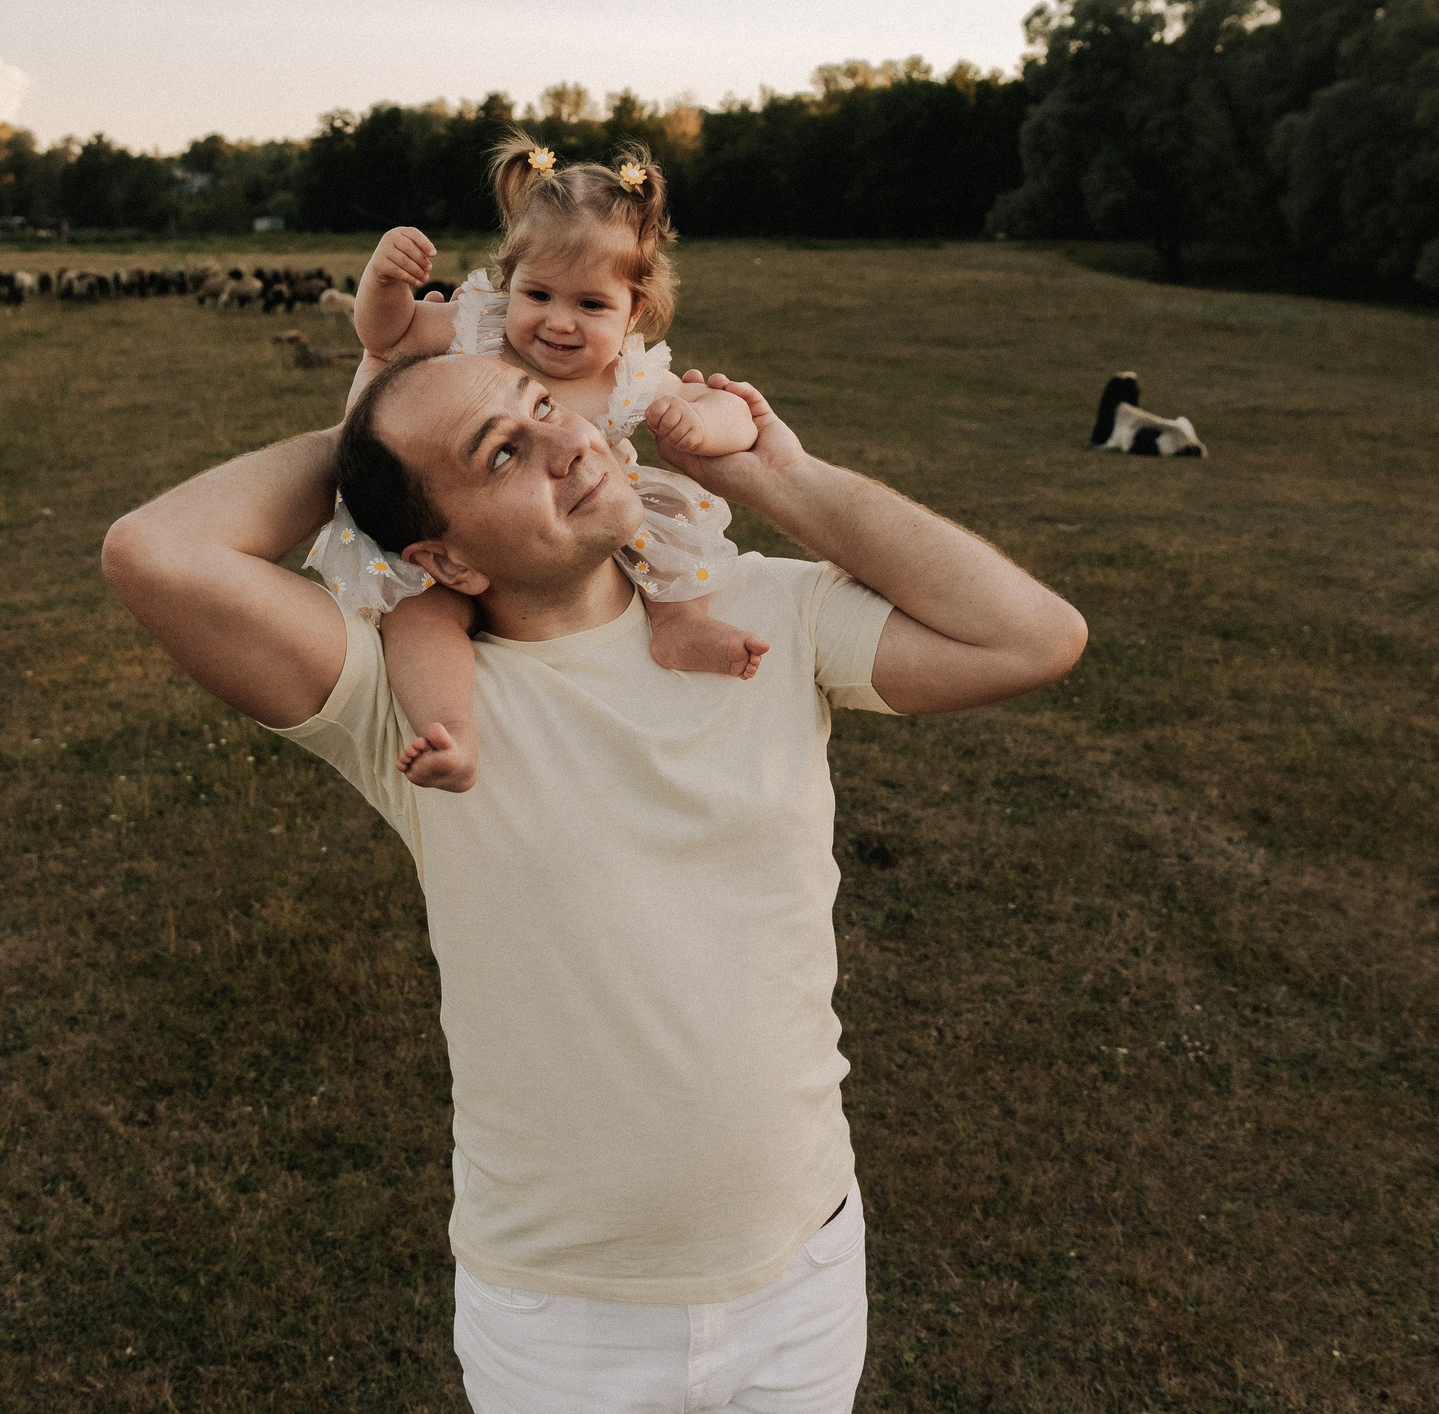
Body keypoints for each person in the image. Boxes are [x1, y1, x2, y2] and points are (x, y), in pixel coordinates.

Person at [101, 349, 1087, 1412]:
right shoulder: (417, 702)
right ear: (450, 559)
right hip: (565, 1323)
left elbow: (1033, 637)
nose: (570, 440)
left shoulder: (764, 617)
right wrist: (365, 425)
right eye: (504, 452)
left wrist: (772, 477)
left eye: (545, 406)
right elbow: (154, 553)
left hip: (800, 1272)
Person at [308, 136, 768, 795]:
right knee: (421, 612)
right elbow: (388, 334)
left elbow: (733, 410)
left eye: (591, 305)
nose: (558, 323)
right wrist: (384, 282)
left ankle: (678, 625)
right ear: (508, 284)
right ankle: (449, 726)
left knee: (666, 535)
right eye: (539, 294)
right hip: (470, 523)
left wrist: (701, 422)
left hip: (584, 512)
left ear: (634, 310)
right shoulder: (480, 330)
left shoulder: (627, 378)